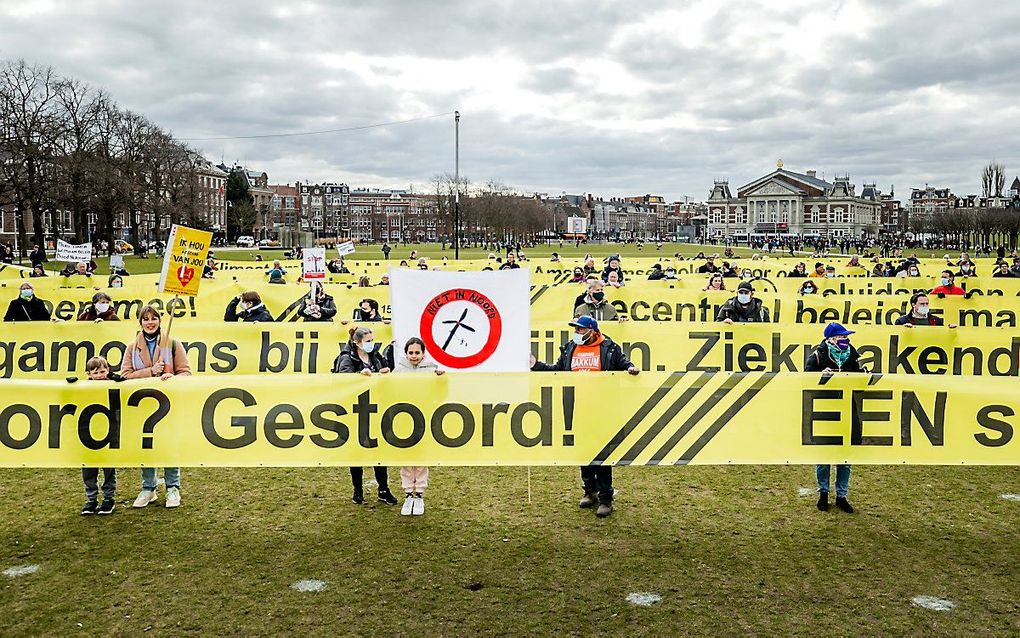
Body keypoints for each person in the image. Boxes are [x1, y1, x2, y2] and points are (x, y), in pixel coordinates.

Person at [529, 315, 638, 518]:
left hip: (602, 409)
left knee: (602, 455)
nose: (576, 333)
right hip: (577, 408)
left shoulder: (609, 348)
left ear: (592, 330)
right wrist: (536, 365)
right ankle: (590, 490)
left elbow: (624, 363)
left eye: (580, 330)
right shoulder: (570, 347)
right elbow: (557, 371)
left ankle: (606, 498)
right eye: (575, 330)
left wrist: (629, 368)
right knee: (584, 451)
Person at [121, 305, 192, 509]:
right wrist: (150, 371)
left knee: (169, 444)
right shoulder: (132, 347)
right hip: (142, 405)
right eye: (146, 319)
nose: (150, 322)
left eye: (154, 318)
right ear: (140, 322)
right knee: (146, 446)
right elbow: (124, 375)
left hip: (168, 404)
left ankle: (172, 487)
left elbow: (186, 372)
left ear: (160, 321)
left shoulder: (172, 344)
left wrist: (173, 377)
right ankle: (148, 488)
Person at [803, 322, 865, 514]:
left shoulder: (853, 357)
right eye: (842, 336)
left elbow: (860, 385)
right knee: (824, 455)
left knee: (845, 456)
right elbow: (804, 380)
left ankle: (841, 496)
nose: (846, 339)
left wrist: (862, 376)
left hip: (848, 409)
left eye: (847, 336)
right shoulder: (817, 356)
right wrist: (819, 376)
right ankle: (823, 493)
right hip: (824, 410)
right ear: (830, 338)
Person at [332, 327, 397, 505]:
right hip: (355, 411)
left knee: (378, 450)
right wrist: (358, 377)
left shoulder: (375, 356)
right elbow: (342, 381)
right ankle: (357, 490)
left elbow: (386, 370)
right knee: (356, 453)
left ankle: (383, 489)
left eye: (372, 340)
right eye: (367, 341)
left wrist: (384, 372)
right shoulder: (347, 358)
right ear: (357, 342)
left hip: (375, 408)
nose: (371, 343)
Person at [394, 337, 444, 516]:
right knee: (406, 457)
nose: (414, 356)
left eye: (417, 352)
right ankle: (408, 494)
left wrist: (440, 379)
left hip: (424, 418)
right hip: (404, 419)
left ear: (423, 353)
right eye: (410, 353)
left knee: (422, 458)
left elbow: (440, 393)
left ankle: (420, 494)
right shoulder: (398, 370)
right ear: (406, 353)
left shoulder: (432, 370)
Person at [79, 356, 123, 515]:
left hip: (109, 432)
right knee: (89, 467)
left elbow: (124, 383)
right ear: (89, 374)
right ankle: (91, 499)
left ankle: (108, 498)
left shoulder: (113, 384)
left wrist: (113, 377)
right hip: (88, 433)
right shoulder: (83, 387)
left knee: (108, 466)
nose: (100, 375)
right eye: (96, 372)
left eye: (103, 371)